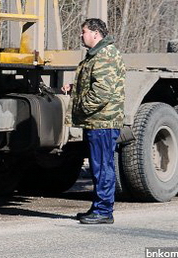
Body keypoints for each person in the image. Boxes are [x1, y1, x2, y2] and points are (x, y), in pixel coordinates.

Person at [62, 18, 125, 225]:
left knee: (102, 166)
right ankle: (99, 207)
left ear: (96, 34)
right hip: (98, 121)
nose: (81, 36)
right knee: (99, 166)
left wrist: (81, 107)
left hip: (103, 121)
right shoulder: (97, 54)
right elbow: (95, 83)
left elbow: (102, 93)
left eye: (84, 32)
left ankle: (104, 210)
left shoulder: (105, 55)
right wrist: (75, 88)